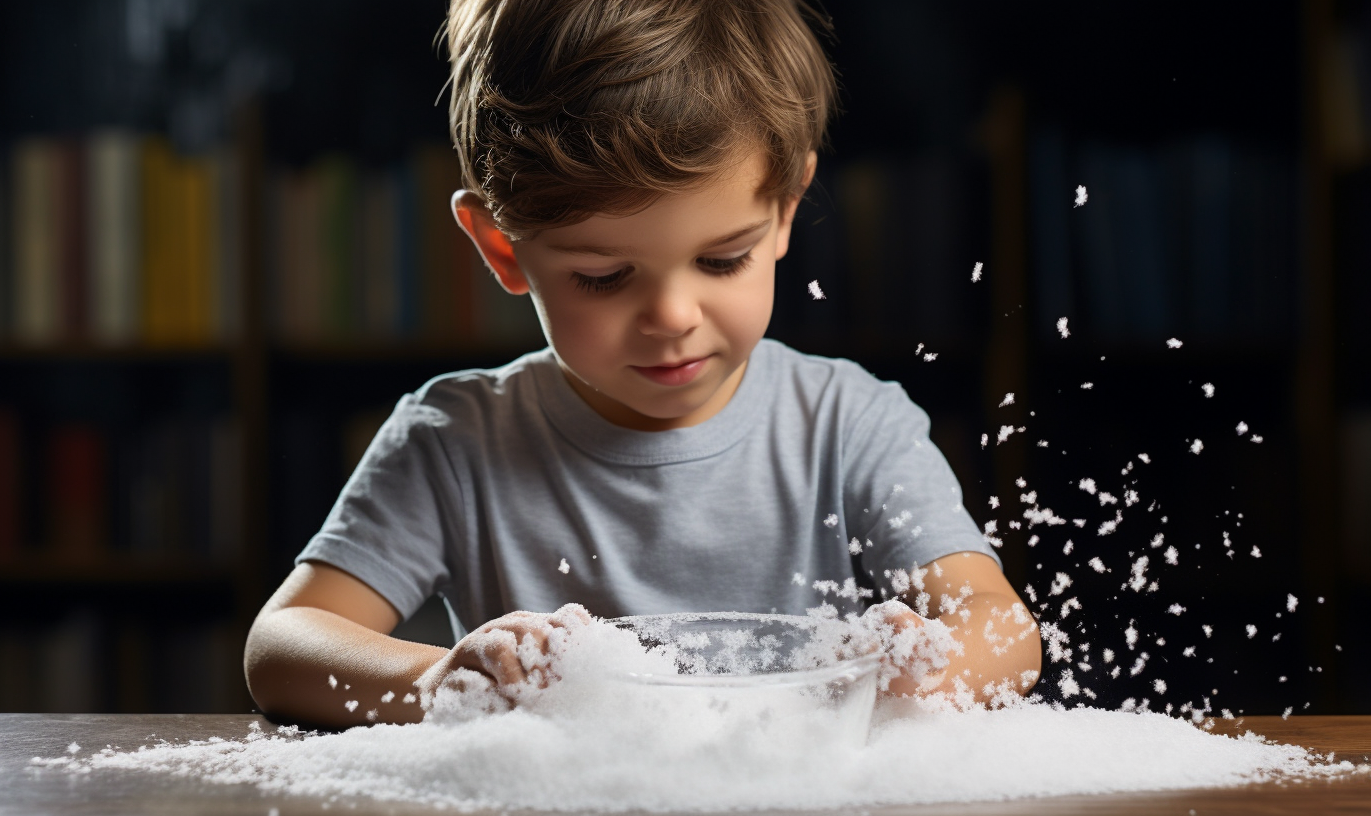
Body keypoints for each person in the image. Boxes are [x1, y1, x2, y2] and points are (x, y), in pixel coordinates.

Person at [244, 0, 1041, 728]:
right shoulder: (456, 442)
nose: (672, 316)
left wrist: (920, 670)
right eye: (603, 276)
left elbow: (1001, 627)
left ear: (786, 209)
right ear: (501, 248)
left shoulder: (849, 425)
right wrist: (447, 682)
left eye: (723, 260)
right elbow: (282, 648)